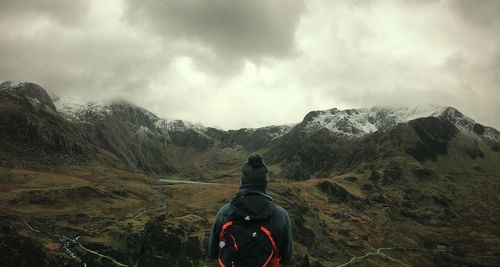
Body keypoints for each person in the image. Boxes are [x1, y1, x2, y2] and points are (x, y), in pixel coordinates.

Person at [208, 153, 293, 266]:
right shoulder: (280, 215)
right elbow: (286, 258)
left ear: (242, 182)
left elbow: (213, 251)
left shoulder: (225, 212)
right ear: (265, 183)